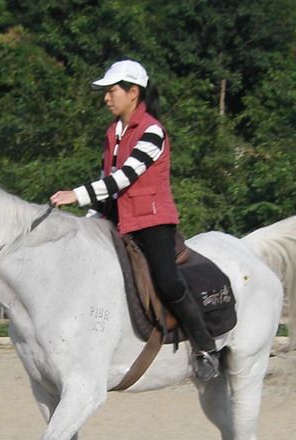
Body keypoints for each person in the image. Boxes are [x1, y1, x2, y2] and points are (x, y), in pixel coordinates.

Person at [50, 59, 220, 381]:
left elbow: (124, 178)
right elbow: (106, 181)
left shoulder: (152, 131)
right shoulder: (112, 132)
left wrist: (76, 194)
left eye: (111, 91)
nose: (106, 98)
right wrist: (89, 217)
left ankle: (205, 346)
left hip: (152, 222)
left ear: (133, 92)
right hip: (118, 218)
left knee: (168, 282)